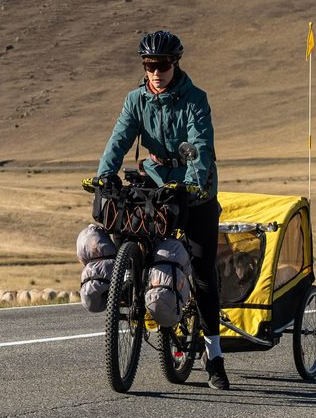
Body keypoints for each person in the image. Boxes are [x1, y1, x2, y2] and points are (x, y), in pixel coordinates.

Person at [83, 30, 229, 390]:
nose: (156, 72)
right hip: (154, 178)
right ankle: (130, 282)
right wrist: (104, 175)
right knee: (125, 230)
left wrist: (193, 181)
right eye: (150, 65)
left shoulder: (195, 99)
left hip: (195, 188)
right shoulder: (136, 100)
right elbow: (119, 138)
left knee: (202, 266)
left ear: (174, 64)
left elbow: (200, 144)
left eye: (162, 65)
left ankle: (214, 357)